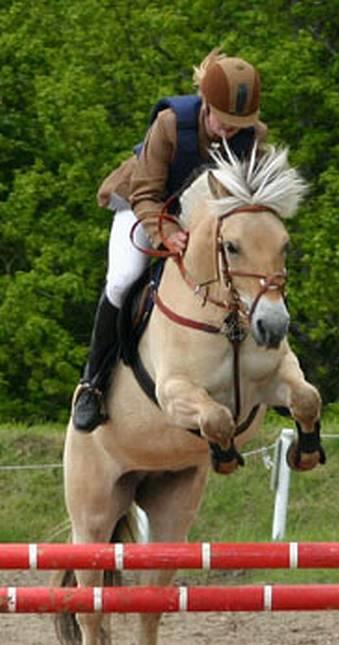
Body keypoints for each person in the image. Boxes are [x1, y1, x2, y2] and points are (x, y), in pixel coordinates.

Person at [72, 48, 268, 432]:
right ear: (206, 105)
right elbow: (146, 193)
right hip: (145, 205)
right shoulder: (170, 124)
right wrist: (166, 233)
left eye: (237, 124)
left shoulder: (253, 138)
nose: (230, 131)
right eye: (223, 122)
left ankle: (266, 370)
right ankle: (93, 383)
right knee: (124, 279)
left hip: (203, 221)